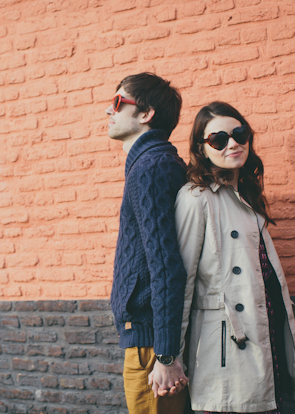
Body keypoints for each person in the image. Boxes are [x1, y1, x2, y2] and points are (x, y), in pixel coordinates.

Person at [172, 102, 295, 413]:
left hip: (264, 335)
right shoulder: (196, 199)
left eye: (239, 134)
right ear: (202, 149)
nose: (232, 144)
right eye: (218, 139)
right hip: (225, 347)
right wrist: (171, 355)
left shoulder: (246, 196)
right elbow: (183, 281)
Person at [107, 72, 189, 414]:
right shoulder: (148, 164)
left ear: (145, 114)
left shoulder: (151, 167)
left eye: (117, 102)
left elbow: (166, 264)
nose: (108, 111)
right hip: (149, 340)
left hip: (151, 347)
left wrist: (166, 355)